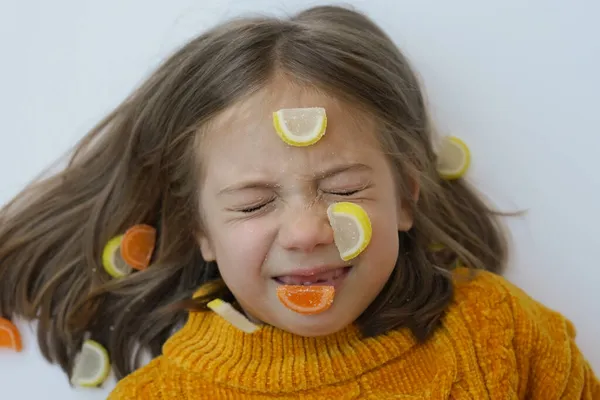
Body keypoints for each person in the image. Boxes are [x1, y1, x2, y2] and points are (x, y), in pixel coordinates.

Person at [0, 5, 597, 399]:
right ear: (200, 230)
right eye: (256, 203)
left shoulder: (498, 332)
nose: (308, 232)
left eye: (342, 190)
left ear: (406, 198)